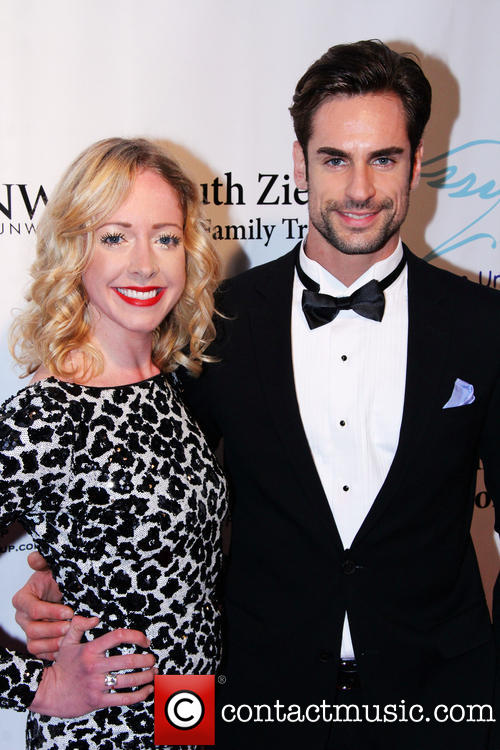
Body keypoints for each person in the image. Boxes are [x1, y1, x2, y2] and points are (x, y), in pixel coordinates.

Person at [13, 42, 500, 750]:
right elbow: (138, 479)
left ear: (418, 159)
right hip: (254, 703)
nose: (360, 188)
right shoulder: (213, 324)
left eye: (383, 158)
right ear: (300, 164)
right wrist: (58, 576)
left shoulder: (483, 325)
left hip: (441, 704)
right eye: (335, 158)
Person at [1, 137, 226, 749]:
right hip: (102, 731)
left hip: (189, 717)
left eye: (165, 236)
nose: (145, 264)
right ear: (75, 251)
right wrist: (34, 687)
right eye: (115, 236)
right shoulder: (47, 415)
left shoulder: (173, 384)